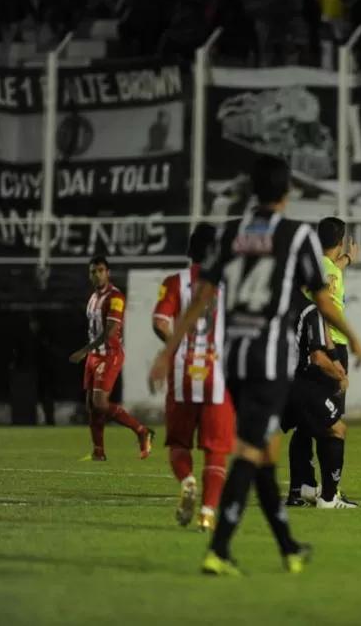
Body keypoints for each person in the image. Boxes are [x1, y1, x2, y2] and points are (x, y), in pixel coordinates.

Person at [148, 155, 361, 576]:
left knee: (266, 451)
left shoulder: (229, 233)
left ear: (251, 189)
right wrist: (352, 336)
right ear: (288, 192)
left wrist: (167, 350)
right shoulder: (297, 235)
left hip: (231, 358)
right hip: (269, 360)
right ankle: (220, 548)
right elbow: (322, 299)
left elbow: (202, 297)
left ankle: (288, 547)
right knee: (251, 451)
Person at [152, 223, 235, 531]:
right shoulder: (230, 284)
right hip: (218, 375)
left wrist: (175, 348)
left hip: (182, 371)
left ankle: (186, 481)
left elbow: (160, 322)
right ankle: (208, 513)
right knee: (216, 449)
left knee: (178, 443)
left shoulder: (175, 282)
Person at [285, 216, 359, 506]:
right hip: (330, 345)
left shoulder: (316, 268)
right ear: (341, 241)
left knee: (308, 420)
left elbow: (328, 275)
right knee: (330, 422)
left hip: (305, 347)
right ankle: (330, 494)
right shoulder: (328, 273)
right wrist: (328, 349)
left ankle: (302, 486)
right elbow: (323, 306)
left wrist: (346, 263)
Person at [70, 256, 154, 461]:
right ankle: (98, 452)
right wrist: (89, 352)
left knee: (100, 403)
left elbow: (109, 333)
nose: (97, 275)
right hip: (94, 356)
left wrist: (83, 350)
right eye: (93, 271)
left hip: (110, 355)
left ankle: (141, 431)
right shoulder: (93, 298)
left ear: (108, 273)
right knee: (91, 404)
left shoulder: (116, 297)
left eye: (100, 270)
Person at [282, 295, 354, 508]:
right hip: (299, 382)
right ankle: (329, 498)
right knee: (337, 428)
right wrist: (339, 375)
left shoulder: (275, 303)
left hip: (274, 383)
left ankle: (304, 487)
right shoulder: (310, 310)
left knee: (304, 428)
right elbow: (317, 357)